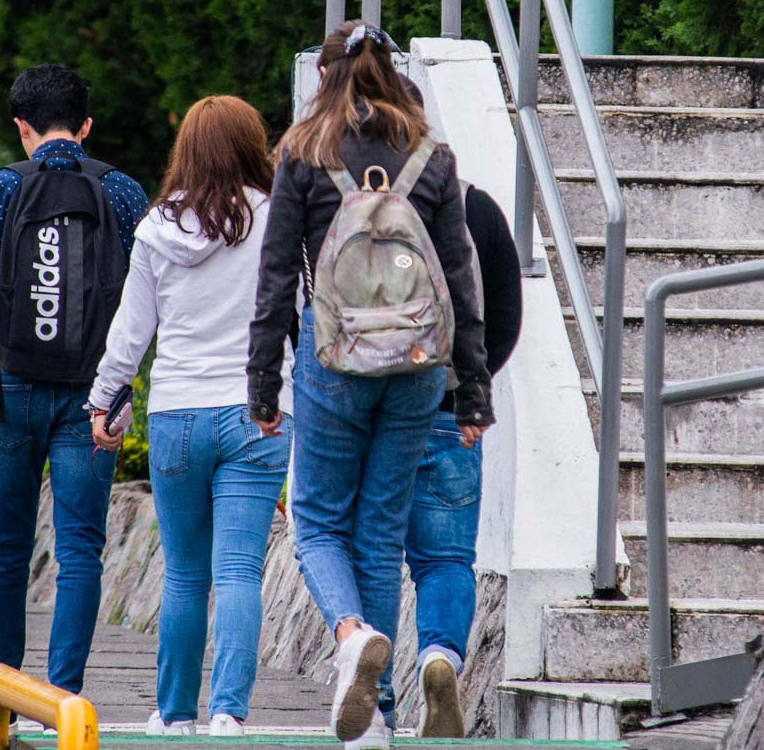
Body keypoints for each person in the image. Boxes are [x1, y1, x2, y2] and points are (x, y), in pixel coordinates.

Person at [247, 21, 494, 750]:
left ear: (323, 79)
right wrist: (473, 392)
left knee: (320, 523)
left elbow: (274, 283)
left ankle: (357, 651)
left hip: (334, 362)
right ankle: (379, 706)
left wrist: (264, 384)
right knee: (382, 534)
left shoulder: (301, 154)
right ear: (394, 72)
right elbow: (460, 282)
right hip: (419, 369)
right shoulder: (432, 158)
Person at [88, 95, 292, 737]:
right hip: (257, 413)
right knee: (239, 570)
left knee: (183, 573)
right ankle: (229, 713)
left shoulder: (155, 228)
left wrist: (105, 397)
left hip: (177, 412)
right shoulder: (280, 219)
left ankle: (173, 714)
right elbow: (301, 320)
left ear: (188, 151)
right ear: (250, 145)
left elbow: (132, 328)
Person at [0, 63, 149, 695]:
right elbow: (143, 301)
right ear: (86, 126)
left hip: (12, 391)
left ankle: (1, 690)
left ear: (20, 127)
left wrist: (4, 316)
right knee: (80, 552)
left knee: (6, 549)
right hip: (93, 396)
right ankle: (64, 697)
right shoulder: (122, 191)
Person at [406, 179, 521, 737]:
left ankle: (374, 699)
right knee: (447, 560)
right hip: (449, 410)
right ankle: (440, 659)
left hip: (365, 413)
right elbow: (505, 313)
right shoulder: (473, 203)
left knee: (371, 555)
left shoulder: (342, 200)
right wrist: (469, 390)